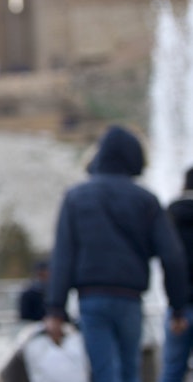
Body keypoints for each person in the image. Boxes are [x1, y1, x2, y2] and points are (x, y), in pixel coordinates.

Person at [44, 125, 188, 382]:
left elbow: (63, 256)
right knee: (130, 371)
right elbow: (172, 257)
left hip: (91, 299)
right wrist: (177, 306)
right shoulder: (146, 200)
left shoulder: (76, 197)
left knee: (104, 372)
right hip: (131, 299)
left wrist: (56, 309)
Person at [159, 167, 193, 382]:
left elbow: (170, 262)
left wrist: (177, 308)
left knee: (172, 369)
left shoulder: (170, 214)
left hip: (179, 307)